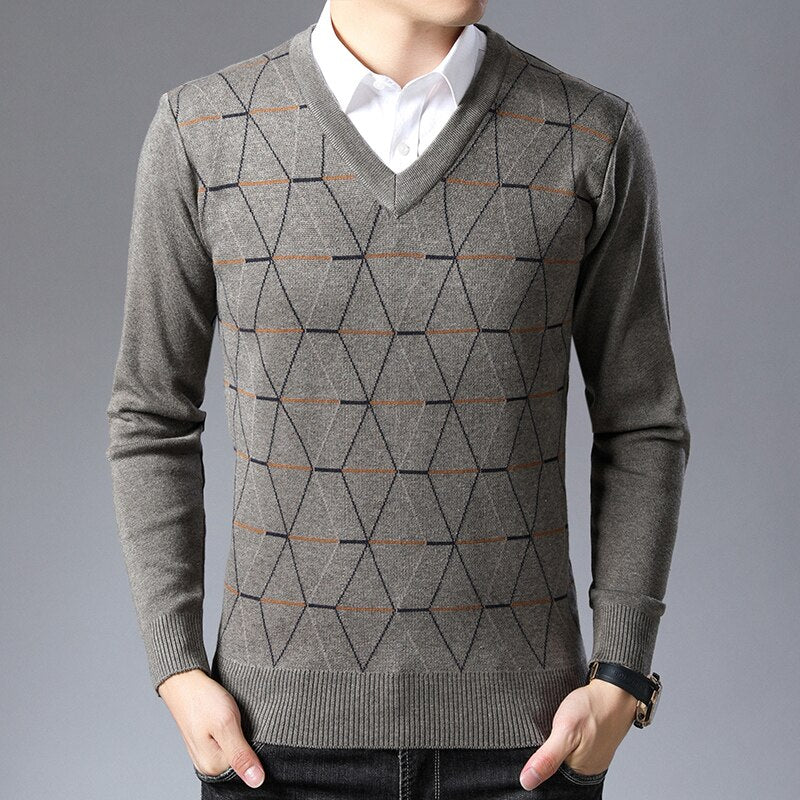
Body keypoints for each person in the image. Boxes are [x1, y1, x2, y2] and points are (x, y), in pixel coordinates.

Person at [105, 0, 690, 797]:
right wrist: (174, 666)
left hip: (524, 749)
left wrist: (622, 675)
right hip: (274, 748)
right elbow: (152, 415)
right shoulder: (204, 132)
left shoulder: (589, 137)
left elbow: (643, 421)